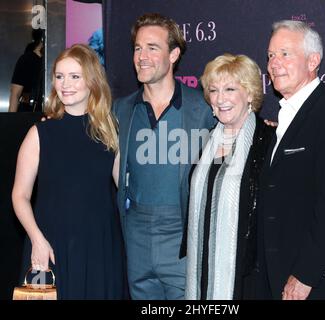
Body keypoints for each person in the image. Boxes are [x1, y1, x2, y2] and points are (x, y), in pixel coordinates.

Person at [256, 20, 325, 300]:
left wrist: (305, 276)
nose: (274, 63)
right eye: (270, 55)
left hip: (320, 284)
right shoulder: (284, 118)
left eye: (285, 53)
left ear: (313, 60)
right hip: (284, 275)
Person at [113, 13, 215, 300]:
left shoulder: (203, 109)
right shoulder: (121, 111)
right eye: (137, 48)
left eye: (152, 48)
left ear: (173, 54)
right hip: (136, 233)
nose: (141, 56)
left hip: (183, 233)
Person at [12, 44, 127, 299]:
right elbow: (19, 195)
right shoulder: (40, 133)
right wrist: (37, 239)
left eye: (75, 76)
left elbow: (125, 190)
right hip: (49, 245)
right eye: (60, 77)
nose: (66, 84)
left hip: (100, 247)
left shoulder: (110, 133)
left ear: (92, 81)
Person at [185, 54, 274, 300]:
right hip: (201, 272)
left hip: (248, 275)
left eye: (230, 89)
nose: (220, 98)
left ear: (250, 94)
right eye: (213, 90)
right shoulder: (206, 141)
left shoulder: (269, 141)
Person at [9, 29, 44, 112]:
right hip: (28, 110)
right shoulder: (26, 59)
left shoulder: (56, 59)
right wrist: (10, 121)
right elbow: (15, 94)